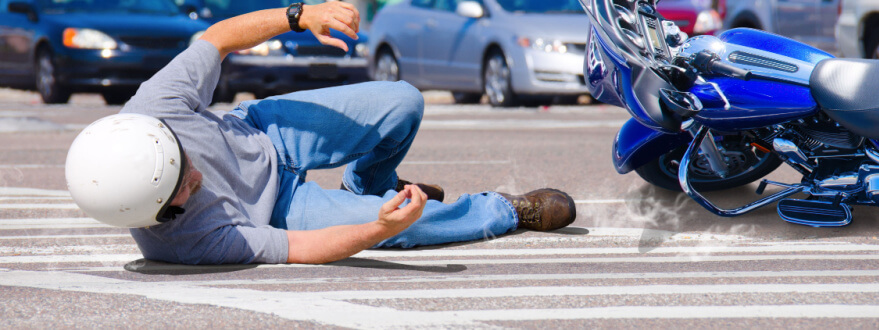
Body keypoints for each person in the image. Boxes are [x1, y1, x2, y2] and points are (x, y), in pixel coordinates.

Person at [64, 2, 576, 265]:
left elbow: (216, 39)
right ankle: (508, 210)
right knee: (406, 228)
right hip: (280, 210)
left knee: (403, 101)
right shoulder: (183, 244)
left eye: (182, 161)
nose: (195, 176)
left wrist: (300, 14)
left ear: (159, 137)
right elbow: (302, 249)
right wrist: (378, 231)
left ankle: (370, 185)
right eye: (182, 193)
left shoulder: (152, 107)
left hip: (265, 133)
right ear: (158, 215)